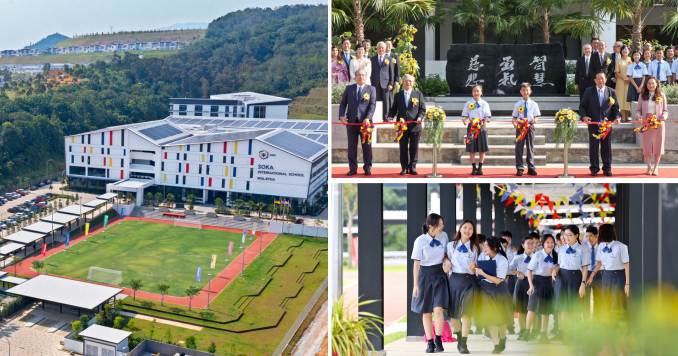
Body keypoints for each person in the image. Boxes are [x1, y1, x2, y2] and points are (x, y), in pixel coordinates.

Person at [411, 213, 449, 353]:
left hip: (440, 275)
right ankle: (430, 342)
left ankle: (439, 339)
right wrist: (415, 285)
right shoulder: (420, 241)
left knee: (438, 310)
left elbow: (446, 254)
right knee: (426, 311)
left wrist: (446, 261)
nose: (442, 227)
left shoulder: (443, 236)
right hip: (424, 276)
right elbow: (416, 264)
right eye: (440, 225)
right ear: (431, 226)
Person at [444, 219, 480, 354]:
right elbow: (445, 259)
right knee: (454, 315)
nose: (467, 230)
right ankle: (459, 338)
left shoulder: (475, 248)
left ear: (473, 232)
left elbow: (476, 268)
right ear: (460, 229)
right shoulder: (450, 246)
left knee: (466, 314)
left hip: (469, 281)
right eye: (465, 227)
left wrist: (474, 267)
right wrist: (446, 261)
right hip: (454, 281)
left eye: (470, 229)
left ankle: (464, 344)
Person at [579, 71, 621, 177]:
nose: (600, 81)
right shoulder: (589, 91)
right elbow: (582, 106)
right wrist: (584, 116)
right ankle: (594, 168)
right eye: (598, 79)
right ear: (595, 80)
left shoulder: (611, 91)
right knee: (593, 147)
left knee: (606, 147)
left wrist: (617, 117)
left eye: (602, 78)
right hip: (593, 124)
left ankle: (607, 168)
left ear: (605, 80)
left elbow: (616, 107)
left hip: (606, 125)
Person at [475, 237, 511, 354]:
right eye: (484, 246)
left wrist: (483, 273)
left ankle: (503, 338)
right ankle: (496, 344)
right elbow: (478, 270)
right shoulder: (482, 256)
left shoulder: (502, 260)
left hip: (499, 290)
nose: (484, 248)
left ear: (494, 248)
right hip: (485, 290)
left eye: (486, 246)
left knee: (501, 319)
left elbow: (498, 281)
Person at [553, 225, 589, 339]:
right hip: (562, 278)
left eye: (570, 235)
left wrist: (583, 283)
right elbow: (559, 264)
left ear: (576, 236)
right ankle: (564, 333)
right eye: (565, 235)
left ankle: (575, 333)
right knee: (563, 308)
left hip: (576, 278)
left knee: (574, 307)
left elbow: (584, 268)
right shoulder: (561, 248)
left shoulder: (583, 249)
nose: (567, 238)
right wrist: (555, 270)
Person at [338, 69, 376, 176]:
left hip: (365, 124)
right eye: (358, 75)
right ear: (355, 77)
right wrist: (341, 116)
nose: (361, 77)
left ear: (366, 76)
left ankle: (367, 167)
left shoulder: (371, 89)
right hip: (351, 123)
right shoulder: (349, 88)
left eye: (363, 75)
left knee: (367, 147)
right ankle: (353, 168)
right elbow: (343, 104)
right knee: (352, 147)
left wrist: (368, 118)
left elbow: (372, 106)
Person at [387, 74, 425, 175]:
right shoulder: (398, 95)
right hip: (402, 126)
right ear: (402, 82)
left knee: (414, 147)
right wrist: (390, 116)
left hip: (415, 126)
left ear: (413, 83)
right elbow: (394, 109)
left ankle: (412, 167)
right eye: (406, 81)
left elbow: (422, 109)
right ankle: (404, 167)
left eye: (410, 81)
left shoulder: (418, 94)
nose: (408, 83)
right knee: (403, 147)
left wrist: (420, 118)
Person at [586, 224, 630, 313]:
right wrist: (591, 276)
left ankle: (619, 324)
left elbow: (626, 265)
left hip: (618, 276)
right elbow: (599, 263)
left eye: (600, 232)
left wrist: (627, 284)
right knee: (607, 300)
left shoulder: (621, 246)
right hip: (606, 276)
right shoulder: (601, 246)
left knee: (617, 302)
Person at [525, 234, 558, 341]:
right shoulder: (538, 255)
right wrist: (531, 286)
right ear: (543, 244)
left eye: (552, 242)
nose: (550, 244)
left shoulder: (556, 255)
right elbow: (529, 270)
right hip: (537, 282)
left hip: (549, 283)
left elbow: (557, 267)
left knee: (546, 310)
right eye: (547, 242)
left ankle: (544, 333)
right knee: (532, 308)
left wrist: (555, 270)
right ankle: (527, 332)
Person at [634, 77, 668, 176]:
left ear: (656, 84)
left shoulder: (662, 95)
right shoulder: (642, 95)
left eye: (653, 83)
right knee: (647, 146)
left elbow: (665, 110)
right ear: (646, 85)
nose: (651, 85)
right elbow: (638, 110)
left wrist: (664, 117)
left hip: (658, 123)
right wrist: (639, 117)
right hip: (646, 123)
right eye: (649, 83)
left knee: (658, 145)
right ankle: (649, 167)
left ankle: (656, 167)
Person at [511, 236, 537, 341]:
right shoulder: (517, 257)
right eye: (528, 243)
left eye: (532, 243)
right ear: (523, 245)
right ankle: (522, 331)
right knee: (521, 309)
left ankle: (531, 331)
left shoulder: (537, 256)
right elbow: (510, 268)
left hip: (534, 283)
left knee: (532, 309)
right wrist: (518, 273)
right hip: (521, 283)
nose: (530, 245)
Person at [512, 83, 541, 176]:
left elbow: (537, 117)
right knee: (519, 148)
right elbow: (514, 118)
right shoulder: (517, 104)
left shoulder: (534, 104)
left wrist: (533, 121)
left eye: (527, 90)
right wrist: (515, 124)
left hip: (530, 127)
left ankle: (531, 167)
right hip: (520, 128)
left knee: (530, 148)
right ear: (521, 92)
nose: (525, 92)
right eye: (523, 90)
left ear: (530, 91)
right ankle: (520, 168)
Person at [462, 85, 491, 175]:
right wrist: (465, 120)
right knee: (472, 149)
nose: (476, 93)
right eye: (474, 91)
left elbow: (488, 117)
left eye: (478, 91)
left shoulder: (485, 104)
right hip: (471, 128)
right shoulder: (468, 103)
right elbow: (465, 116)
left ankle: (480, 168)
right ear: (472, 92)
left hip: (482, 128)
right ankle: (474, 167)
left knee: (482, 149)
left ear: (481, 92)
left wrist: (485, 121)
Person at [371, 41, 396, 121]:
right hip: (375, 84)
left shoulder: (389, 59)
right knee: (375, 101)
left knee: (386, 102)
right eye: (379, 47)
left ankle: (386, 118)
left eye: (382, 48)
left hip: (386, 84)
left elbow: (391, 73)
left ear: (385, 49)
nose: (381, 49)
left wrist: (391, 84)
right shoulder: (372, 59)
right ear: (377, 49)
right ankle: (375, 118)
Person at [583, 226, 602, 317]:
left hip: (599, 274)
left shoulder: (602, 247)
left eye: (590, 236)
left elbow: (601, 262)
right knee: (585, 299)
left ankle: (597, 321)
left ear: (596, 236)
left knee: (598, 298)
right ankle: (586, 322)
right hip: (587, 273)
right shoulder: (583, 247)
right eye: (587, 236)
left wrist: (593, 275)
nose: (588, 238)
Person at [614, 45, 632, 121]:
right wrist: (624, 78)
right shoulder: (618, 60)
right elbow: (616, 73)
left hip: (629, 82)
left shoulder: (631, 60)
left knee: (627, 99)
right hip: (620, 82)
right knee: (620, 99)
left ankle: (627, 117)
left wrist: (629, 78)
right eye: (623, 49)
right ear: (621, 51)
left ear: (629, 51)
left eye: (626, 49)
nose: (625, 51)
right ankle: (621, 117)